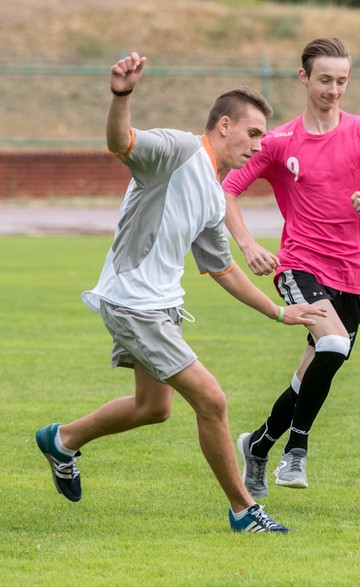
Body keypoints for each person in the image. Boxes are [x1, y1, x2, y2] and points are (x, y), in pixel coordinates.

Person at [35, 52, 327, 533]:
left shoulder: (213, 194)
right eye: (254, 134)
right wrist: (121, 95)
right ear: (225, 125)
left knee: (154, 407)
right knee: (212, 400)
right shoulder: (177, 150)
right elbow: (120, 142)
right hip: (132, 303)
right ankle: (243, 510)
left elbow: (223, 267)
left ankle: (61, 440)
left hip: (162, 306)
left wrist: (279, 312)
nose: (259, 146)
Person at [222, 37, 360, 497]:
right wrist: (247, 242)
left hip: (355, 273)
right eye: (324, 80)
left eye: (341, 81)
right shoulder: (278, 143)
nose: (334, 89)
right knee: (333, 342)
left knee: (319, 361)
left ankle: (258, 445)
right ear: (304, 78)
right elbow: (226, 189)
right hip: (299, 265)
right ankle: (296, 449)